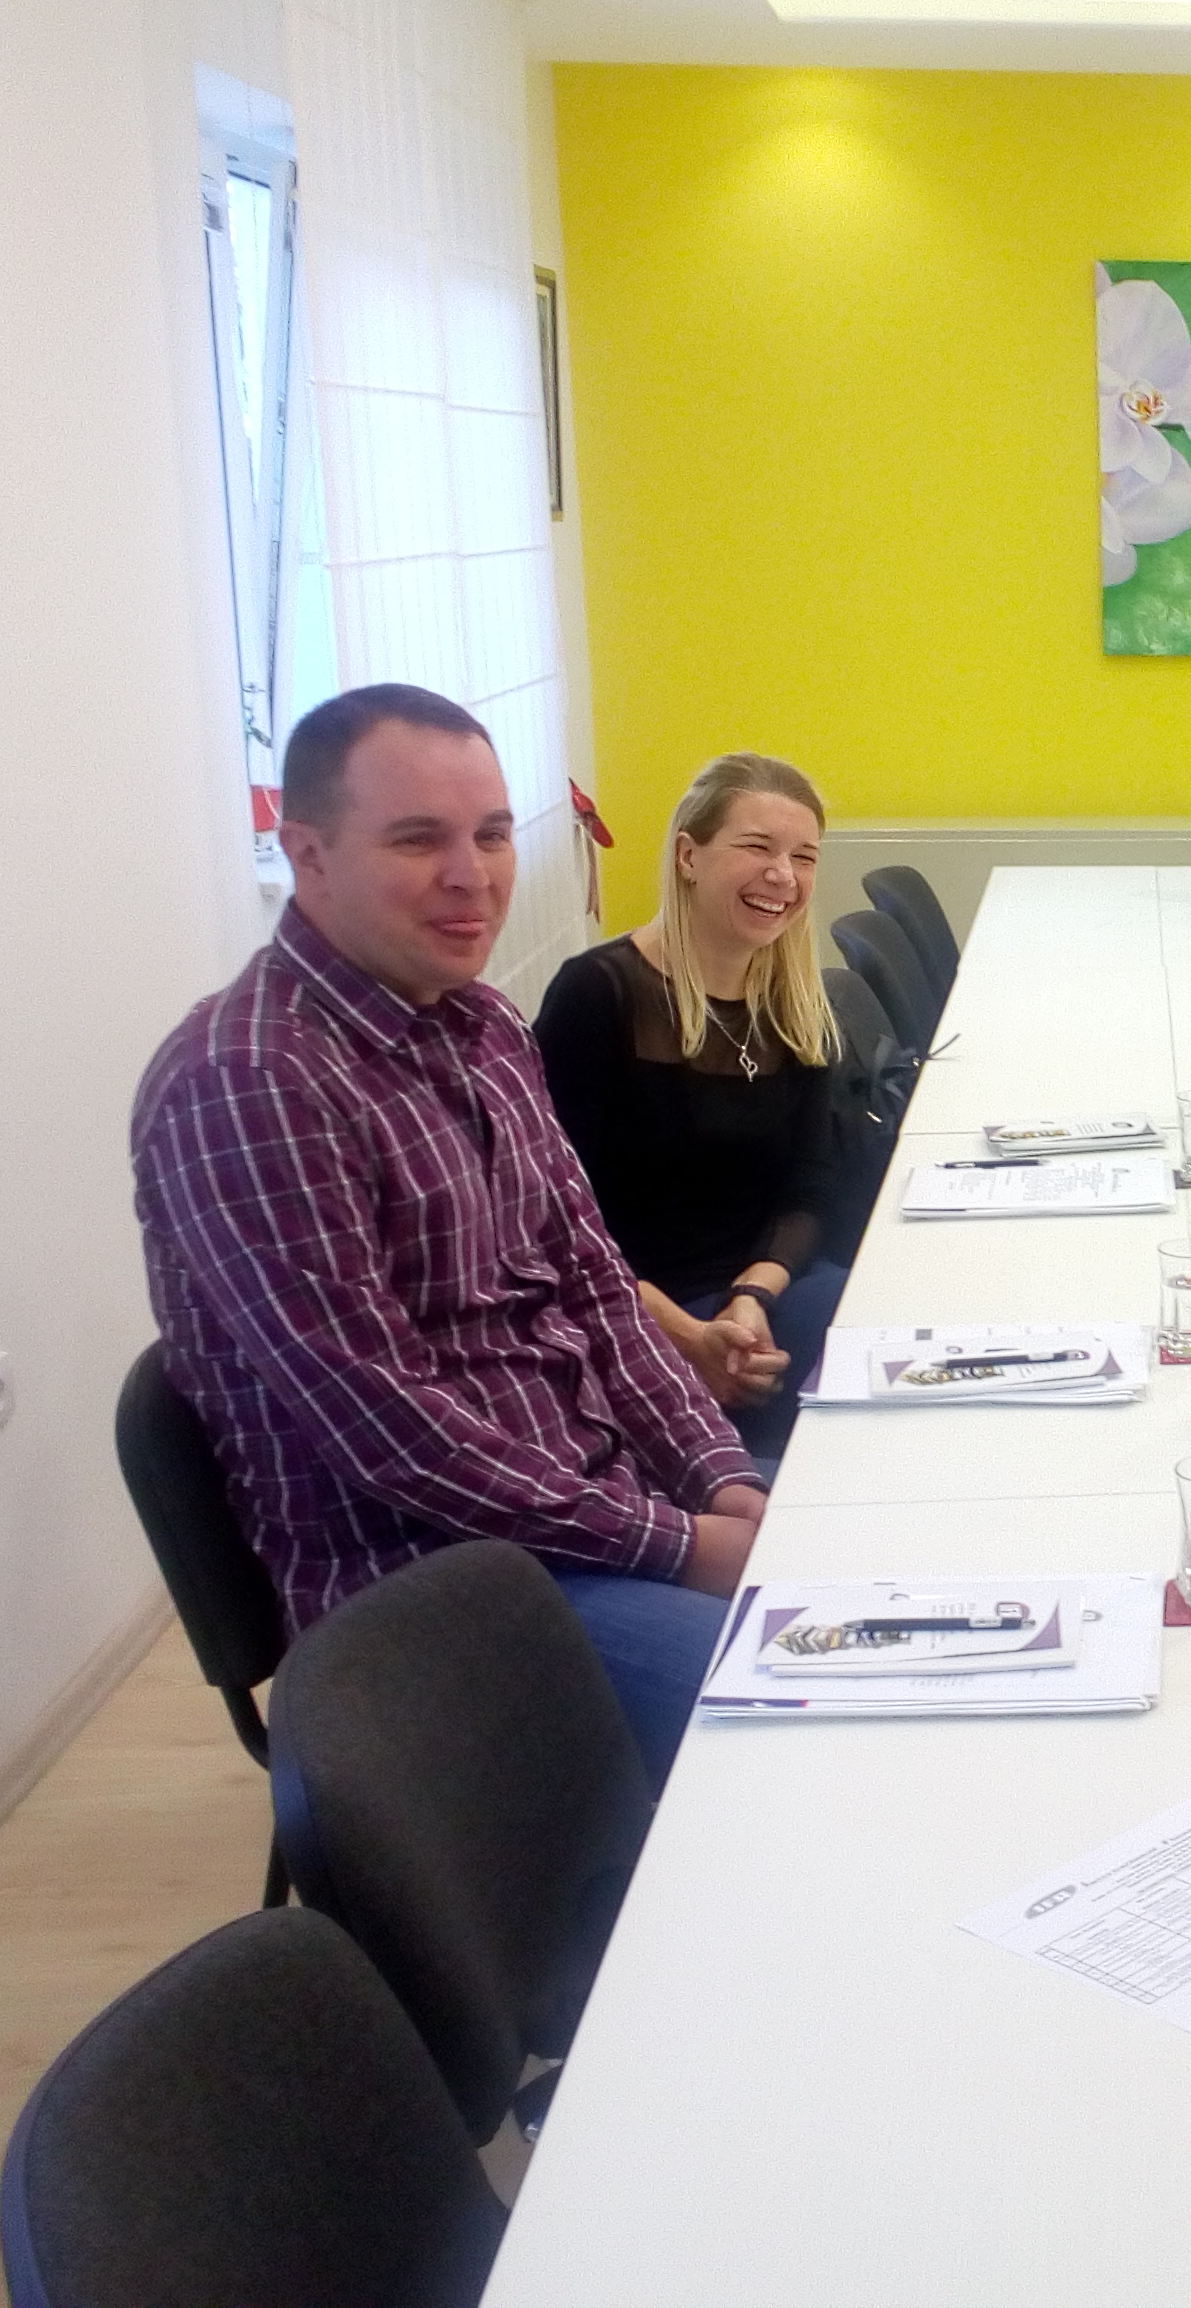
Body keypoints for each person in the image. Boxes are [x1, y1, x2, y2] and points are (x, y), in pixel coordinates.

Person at [133, 684, 764, 1781]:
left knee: (906, 1574)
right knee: (818, 1718)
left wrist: (721, 1479)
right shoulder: (251, 1080)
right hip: (428, 1594)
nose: (473, 875)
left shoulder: (481, 1026)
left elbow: (593, 1288)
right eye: (419, 839)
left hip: (592, 1508)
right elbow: (391, 1431)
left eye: (492, 834)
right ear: (308, 853)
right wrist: (681, 1544)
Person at [535, 753, 850, 1462]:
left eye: (803, 857)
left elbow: (812, 1185)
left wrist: (753, 1296)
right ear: (687, 856)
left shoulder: (795, 1002)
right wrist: (688, 1337)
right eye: (757, 848)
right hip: (636, 1311)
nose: (783, 876)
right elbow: (550, 1220)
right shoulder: (598, 995)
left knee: (895, 1358)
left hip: (767, 1290)